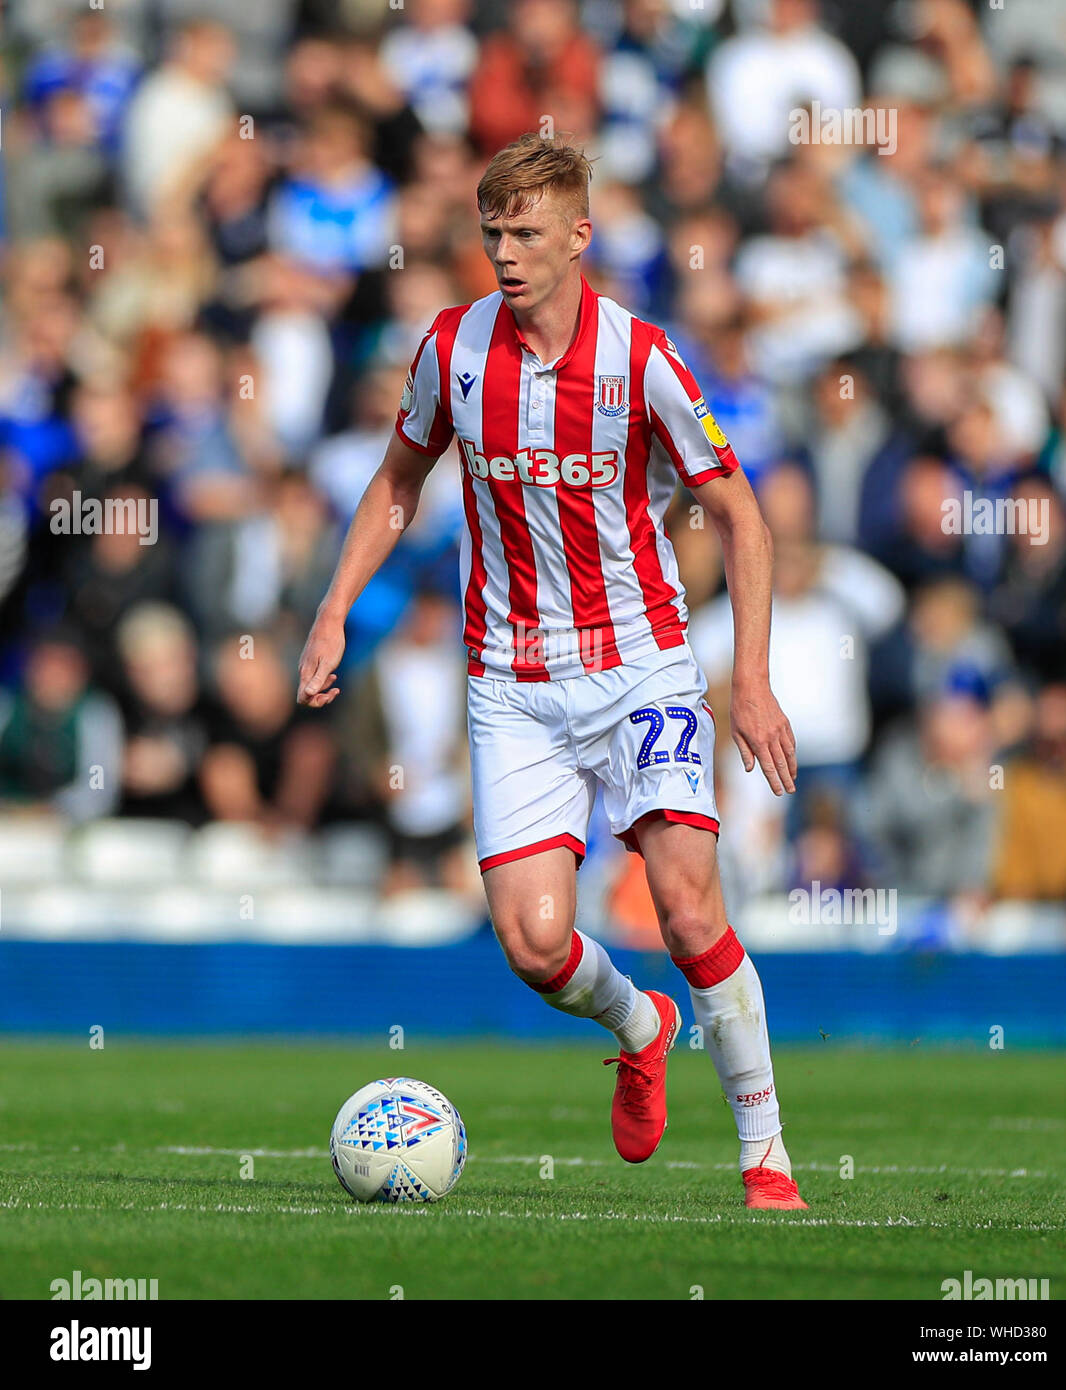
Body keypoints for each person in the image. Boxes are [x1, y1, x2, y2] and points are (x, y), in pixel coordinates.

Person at [297, 133, 806, 1209]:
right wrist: (334, 608)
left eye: (526, 232)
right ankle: (640, 1022)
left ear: (580, 235)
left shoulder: (642, 361)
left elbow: (737, 510)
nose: (505, 252)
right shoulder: (449, 349)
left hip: (640, 669)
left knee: (686, 912)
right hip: (512, 686)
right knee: (532, 944)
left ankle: (765, 1156)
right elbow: (397, 480)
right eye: (492, 233)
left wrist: (748, 679)